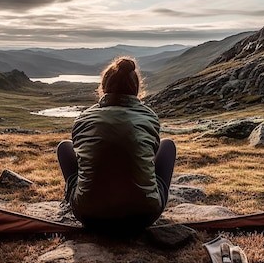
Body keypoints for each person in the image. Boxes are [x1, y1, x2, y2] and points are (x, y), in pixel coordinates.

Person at [56, 56, 176, 234]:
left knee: (64, 147)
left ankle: (84, 195)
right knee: (168, 146)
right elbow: (152, 152)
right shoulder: (149, 116)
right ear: (136, 88)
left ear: (104, 87)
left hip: (89, 215)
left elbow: (82, 157)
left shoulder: (84, 118)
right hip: (143, 216)